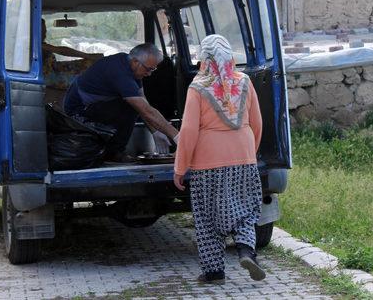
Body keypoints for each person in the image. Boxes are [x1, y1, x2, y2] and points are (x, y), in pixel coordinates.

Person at [173, 34, 265, 284]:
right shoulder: (245, 81)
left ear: (204, 58)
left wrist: (180, 167)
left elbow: (190, 130)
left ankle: (214, 272)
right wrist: (248, 153)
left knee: (206, 216)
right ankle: (246, 250)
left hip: (208, 162)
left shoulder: (198, 87)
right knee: (247, 207)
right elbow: (257, 122)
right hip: (244, 156)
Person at [63, 43, 178, 162]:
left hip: (97, 106)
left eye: (153, 69)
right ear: (135, 61)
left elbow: (144, 103)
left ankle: (113, 151)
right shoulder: (118, 71)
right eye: (148, 69)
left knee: (134, 105)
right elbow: (145, 110)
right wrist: (177, 136)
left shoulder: (130, 67)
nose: (149, 74)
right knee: (131, 105)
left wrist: (155, 131)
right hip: (77, 113)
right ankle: (113, 153)